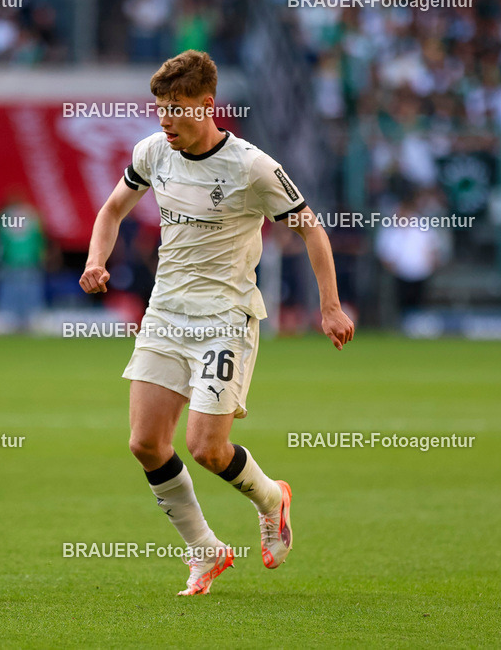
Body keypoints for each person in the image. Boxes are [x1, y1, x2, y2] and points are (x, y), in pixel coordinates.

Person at [79, 50, 354, 596]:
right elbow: (112, 210)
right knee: (146, 444)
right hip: (165, 314)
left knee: (207, 448)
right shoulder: (153, 152)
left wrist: (329, 305)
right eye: (159, 107)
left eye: (177, 108)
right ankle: (204, 551)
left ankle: (272, 498)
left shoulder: (252, 167)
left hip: (225, 319)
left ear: (208, 106)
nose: (165, 119)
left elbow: (312, 231)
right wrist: (95, 260)